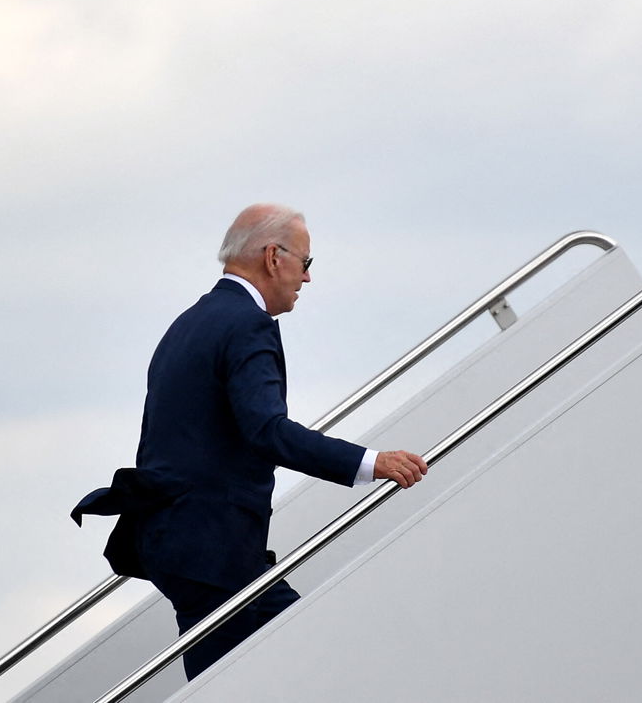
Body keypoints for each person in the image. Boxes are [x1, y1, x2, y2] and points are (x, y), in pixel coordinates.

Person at [129, 203, 427, 680]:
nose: (307, 278)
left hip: (182, 545)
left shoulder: (188, 323)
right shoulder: (248, 324)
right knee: (313, 662)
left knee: (254, 672)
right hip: (214, 551)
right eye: (306, 263)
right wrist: (372, 462)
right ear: (273, 257)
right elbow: (266, 430)